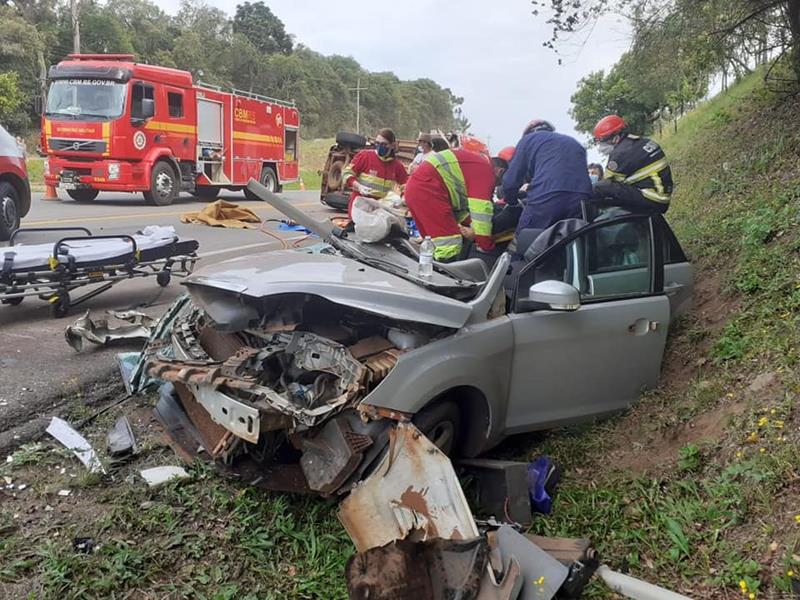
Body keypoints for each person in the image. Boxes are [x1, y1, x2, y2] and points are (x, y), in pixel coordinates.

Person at [404, 147, 496, 262]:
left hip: (418, 190)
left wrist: (470, 225)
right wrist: (485, 244)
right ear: (500, 171)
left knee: (432, 244)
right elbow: (481, 211)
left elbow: (461, 206)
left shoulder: (471, 164)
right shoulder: (485, 171)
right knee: (449, 245)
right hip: (428, 192)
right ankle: (440, 277)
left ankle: (426, 272)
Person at [502, 120, 592, 235]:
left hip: (547, 195)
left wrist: (511, 200)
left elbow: (511, 180)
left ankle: (517, 253)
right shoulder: (575, 143)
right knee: (572, 240)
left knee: (525, 239)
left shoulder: (528, 140)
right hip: (582, 198)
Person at [591, 114, 672, 214]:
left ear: (615, 138)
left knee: (600, 187)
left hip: (654, 199)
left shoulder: (620, 153)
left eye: (602, 142)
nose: (600, 147)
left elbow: (608, 182)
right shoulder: (639, 142)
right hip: (659, 195)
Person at [342, 128, 408, 216]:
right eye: (377, 143)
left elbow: (406, 184)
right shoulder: (365, 156)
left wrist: (404, 197)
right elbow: (346, 173)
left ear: (392, 145)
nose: (380, 146)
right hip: (360, 206)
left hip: (379, 209)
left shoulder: (396, 165)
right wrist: (359, 186)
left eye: (384, 144)